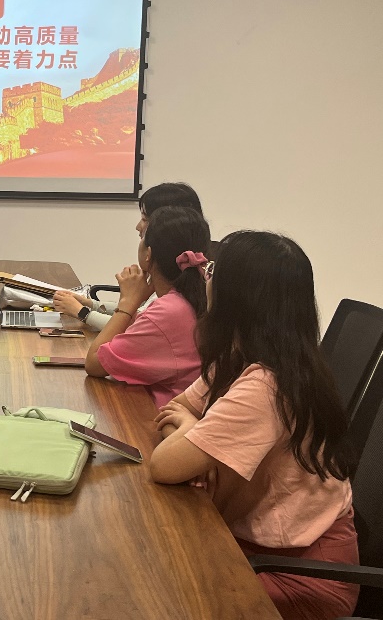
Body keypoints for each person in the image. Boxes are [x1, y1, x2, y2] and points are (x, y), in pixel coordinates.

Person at [151, 231, 358, 620]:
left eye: (214, 269)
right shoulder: (246, 358)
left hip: (304, 575)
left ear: (238, 295)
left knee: (158, 592)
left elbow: (163, 464)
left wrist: (190, 434)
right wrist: (196, 434)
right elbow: (175, 408)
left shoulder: (267, 384)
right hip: (257, 544)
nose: (206, 275)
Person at [82, 206, 210, 407]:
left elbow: (94, 364)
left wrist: (128, 303)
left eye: (142, 236)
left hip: (159, 418)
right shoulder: (193, 297)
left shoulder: (169, 311)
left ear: (148, 254)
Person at [54, 182, 205, 331]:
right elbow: (138, 313)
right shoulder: (173, 274)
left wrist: (82, 313)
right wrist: (91, 305)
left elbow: (133, 327)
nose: (138, 227)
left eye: (145, 219)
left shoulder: (172, 286)